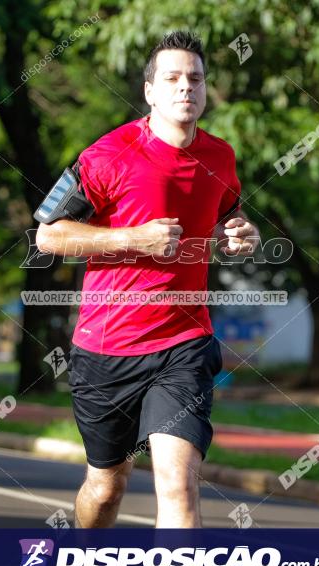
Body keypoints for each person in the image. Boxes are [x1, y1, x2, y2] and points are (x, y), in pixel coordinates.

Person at [35, 31, 259, 528]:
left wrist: (241, 233)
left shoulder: (221, 157)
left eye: (195, 79)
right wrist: (134, 239)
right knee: (106, 487)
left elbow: (229, 216)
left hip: (184, 343)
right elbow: (48, 236)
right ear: (150, 90)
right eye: (173, 78)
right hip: (106, 348)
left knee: (179, 488)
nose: (186, 88)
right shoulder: (107, 154)